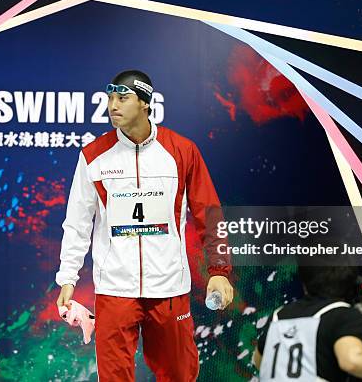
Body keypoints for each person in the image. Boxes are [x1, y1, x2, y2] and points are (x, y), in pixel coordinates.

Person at [55, 70, 234, 381]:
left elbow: (209, 214)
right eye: (110, 98)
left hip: (168, 288)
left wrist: (218, 270)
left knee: (179, 374)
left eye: (122, 98)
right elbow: (77, 222)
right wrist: (67, 277)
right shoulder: (94, 156)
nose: (113, 105)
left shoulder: (181, 151)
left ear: (145, 104)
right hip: (114, 289)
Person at [253, 266, 362, 381]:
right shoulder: (341, 314)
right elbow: (352, 360)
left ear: (304, 281)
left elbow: (259, 362)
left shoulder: (279, 314)